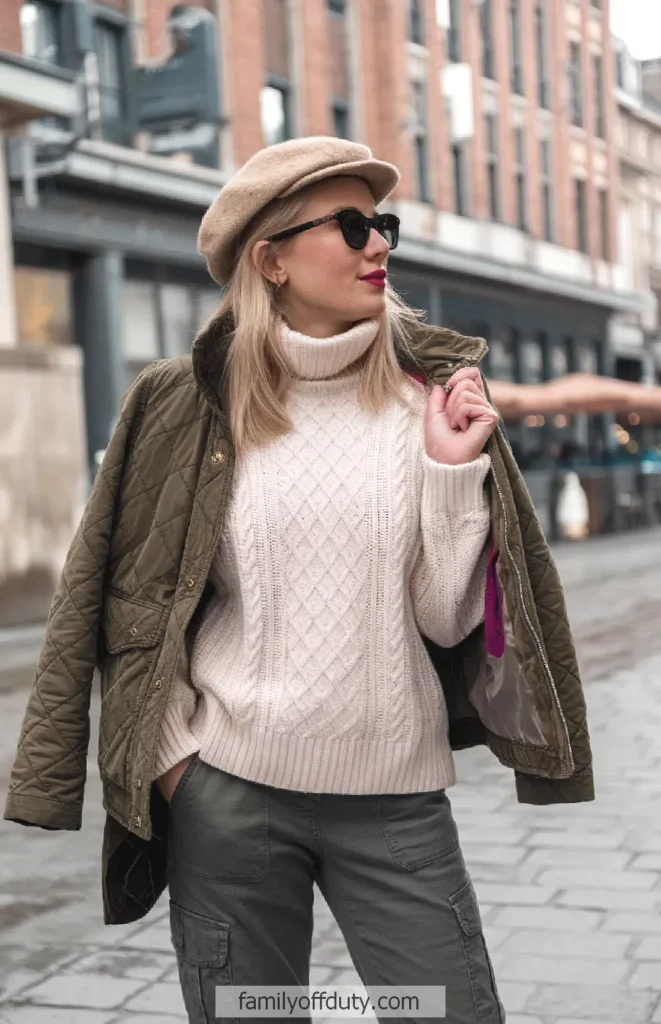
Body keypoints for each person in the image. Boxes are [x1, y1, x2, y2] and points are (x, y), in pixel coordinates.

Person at [4, 138, 594, 1024]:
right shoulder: (180, 401)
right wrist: (175, 765)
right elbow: (119, 593)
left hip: (395, 805)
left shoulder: (430, 398)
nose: (377, 245)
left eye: (382, 224)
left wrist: (445, 471)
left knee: (446, 1009)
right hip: (228, 799)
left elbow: (444, 621)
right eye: (351, 225)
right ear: (269, 258)